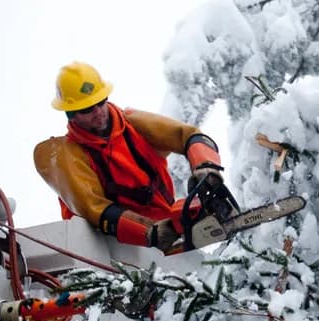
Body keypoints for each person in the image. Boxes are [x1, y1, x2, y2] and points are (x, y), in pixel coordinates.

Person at [33, 61, 227, 251]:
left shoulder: (133, 124)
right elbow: (95, 209)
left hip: (165, 229)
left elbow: (189, 136)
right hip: (109, 248)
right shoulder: (67, 155)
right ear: (71, 114)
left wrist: (206, 167)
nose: (98, 112)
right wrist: (149, 232)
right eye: (87, 109)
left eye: (101, 102)